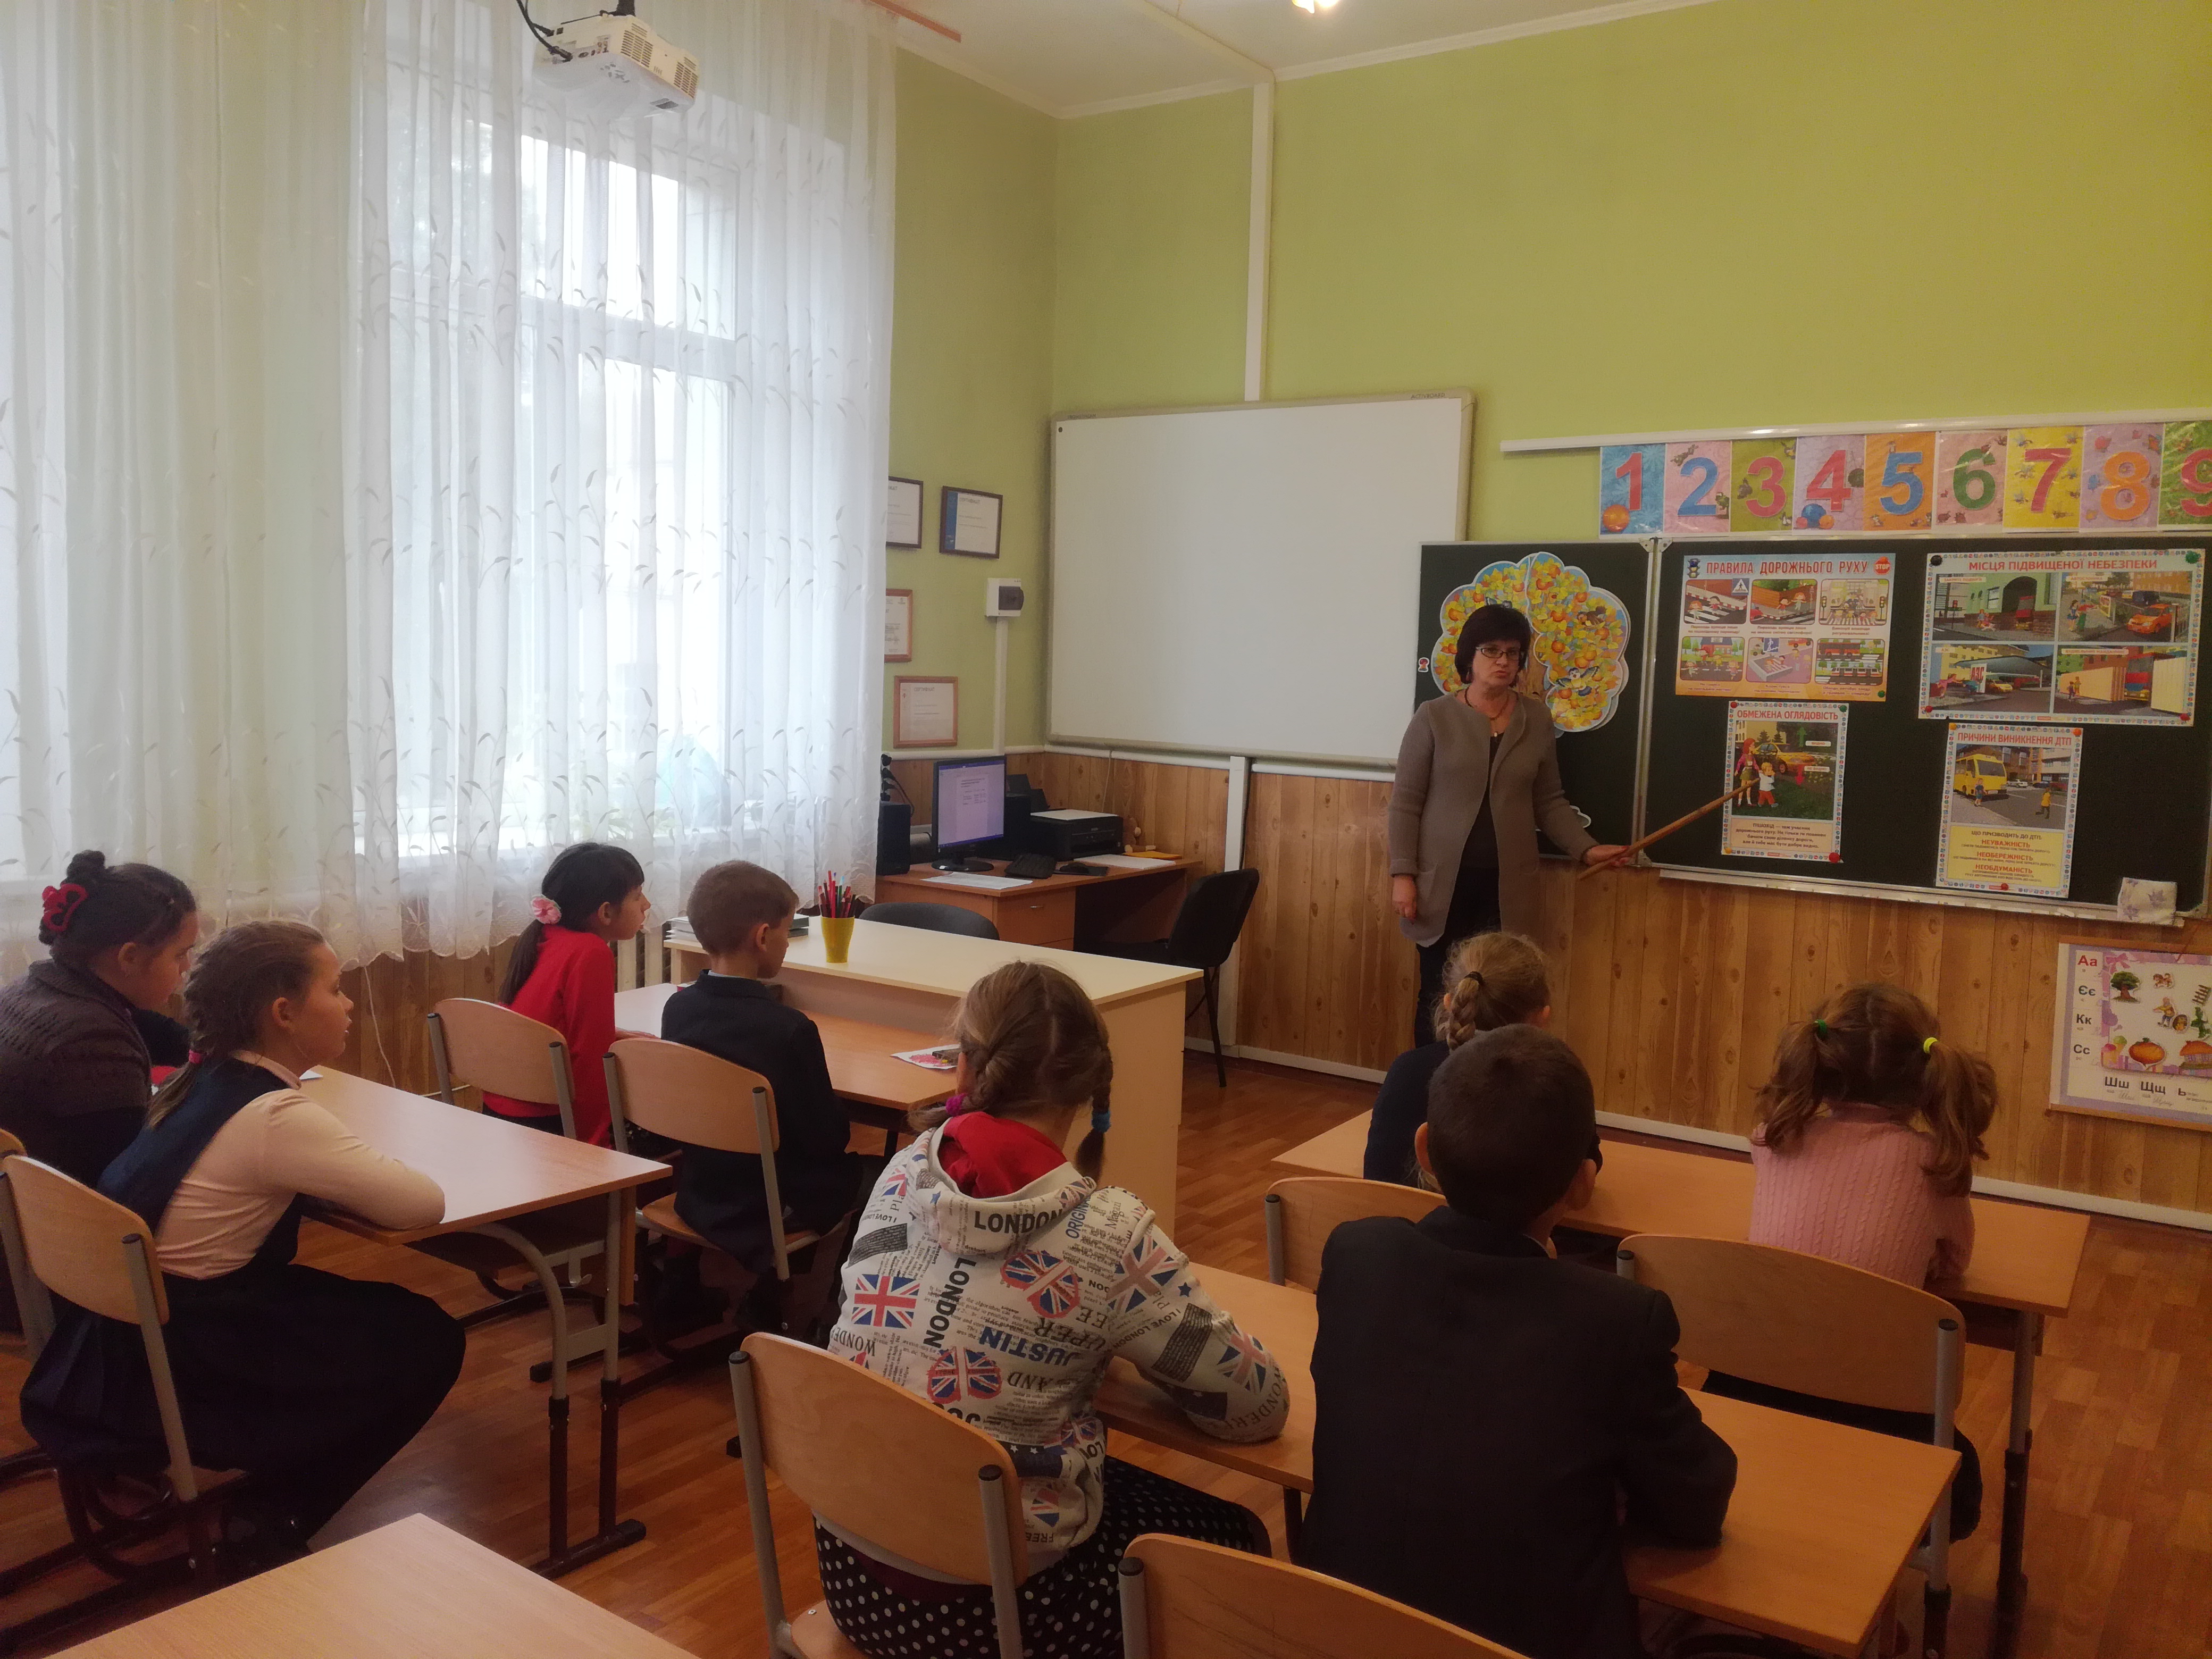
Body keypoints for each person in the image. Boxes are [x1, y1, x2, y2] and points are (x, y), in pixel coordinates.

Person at [818, 961, 1287, 1659]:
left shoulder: (902, 1170)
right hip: (998, 1622)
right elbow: (1256, 1408)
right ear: (1094, 1087)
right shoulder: (1109, 1234)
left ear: (965, 1066)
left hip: (853, 1576)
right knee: (1232, 1532)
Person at [19, 921, 463, 1562]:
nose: (347, 1005)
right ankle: (276, 1511)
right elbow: (422, 1203)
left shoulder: (195, 1081)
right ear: (283, 1013)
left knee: (360, 1314)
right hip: (195, 1351)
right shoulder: (277, 1116)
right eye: (335, 989)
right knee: (427, 1337)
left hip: (111, 1342)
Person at [1303, 1026, 1736, 1659]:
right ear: (1582, 1183)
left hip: (1337, 1632)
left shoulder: (1355, 1252)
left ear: (1424, 1150)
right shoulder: (1615, 1320)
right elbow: (1696, 1504)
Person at [1710, 981, 1997, 1537]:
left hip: (1751, 1398)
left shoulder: (1772, 1141)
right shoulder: (1933, 1165)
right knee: (1960, 1492)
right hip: (1879, 1418)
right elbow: (1954, 1262)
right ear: (1923, 1074)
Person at [1389, 603, 1625, 1046]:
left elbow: (1548, 801)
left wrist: (1586, 848)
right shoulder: (1433, 717)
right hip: (1442, 887)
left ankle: (1488, 1079)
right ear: (1469, 656)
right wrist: (1403, 875)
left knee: (1501, 998)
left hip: (1506, 887)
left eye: (1513, 653)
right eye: (1491, 650)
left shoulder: (1536, 719)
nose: (1503, 661)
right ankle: (1432, 1082)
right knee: (1439, 994)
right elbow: (1405, 803)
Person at [656, 860, 866, 1281]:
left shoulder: (677, 1008)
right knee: (881, 1173)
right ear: (763, 937)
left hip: (701, 1192)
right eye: (787, 932)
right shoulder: (789, 1029)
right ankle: (812, 1299)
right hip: (770, 1203)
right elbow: (827, 1139)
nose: (787, 944)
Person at [0, 852, 198, 1184]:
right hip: (62, 1207)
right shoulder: (92, 1040)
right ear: (130, 957)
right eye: (180, 954)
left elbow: (164, 1036)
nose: (187, 967)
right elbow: (126, 1177)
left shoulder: (44, 986)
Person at [482, 842, 651, 1144]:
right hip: (551, 1129)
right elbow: (589, 1062)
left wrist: (615, 1035)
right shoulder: (590, 952)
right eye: (638, 895)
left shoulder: (545, 934)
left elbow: (549, 1023)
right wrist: (596, 1149)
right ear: (606, 912)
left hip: (503, 1114)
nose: (646, 905)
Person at [1363, 930, 1550, 1185]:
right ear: (1541, 1018)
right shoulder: (1554, 1082)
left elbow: (1377, 1176)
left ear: (1450, 1002)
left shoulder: (1407, 1071)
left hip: (1397, 1209)